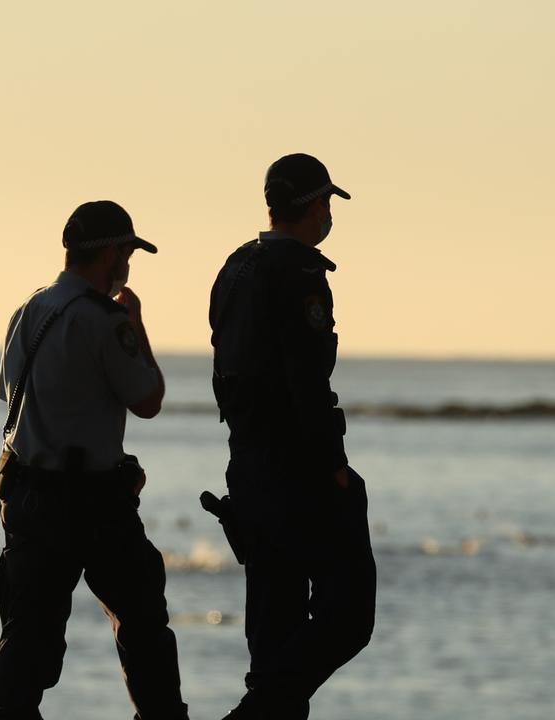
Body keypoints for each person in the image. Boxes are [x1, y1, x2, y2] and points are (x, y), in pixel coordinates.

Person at [0, 200, 188, 720]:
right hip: (91, 504)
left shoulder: (29, 310)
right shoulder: (104, 321)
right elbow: (147, 399)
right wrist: (136, 325)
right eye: (128, 253)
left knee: (27, 634)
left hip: (29, 497)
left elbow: (9, 391)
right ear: (112, 254)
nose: (129, 265)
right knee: (143, 624)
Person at [207, 154, 377, 720]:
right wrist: (334, 465)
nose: (330, 214)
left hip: (248, 465)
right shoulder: (300, 273)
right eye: (327, 202)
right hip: (295, 471)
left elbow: (227, 372)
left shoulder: (234, 268)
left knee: (275, 628)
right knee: (349, 614)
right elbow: (306, 380)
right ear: (313, 207)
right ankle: (254, 711)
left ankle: (265, 704)